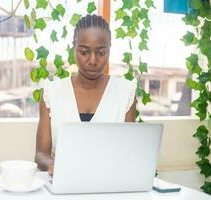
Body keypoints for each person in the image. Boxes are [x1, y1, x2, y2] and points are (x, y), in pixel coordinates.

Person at [35, 14, 137, 176]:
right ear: (73, 48)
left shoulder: (125, 92)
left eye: (101, 53)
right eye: (84, 52)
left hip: (107, 184)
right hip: (62, 185)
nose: (93, 60)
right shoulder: (52, 92)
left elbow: (129, 151)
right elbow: (40, 154)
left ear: (110, 49)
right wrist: (54, 165)